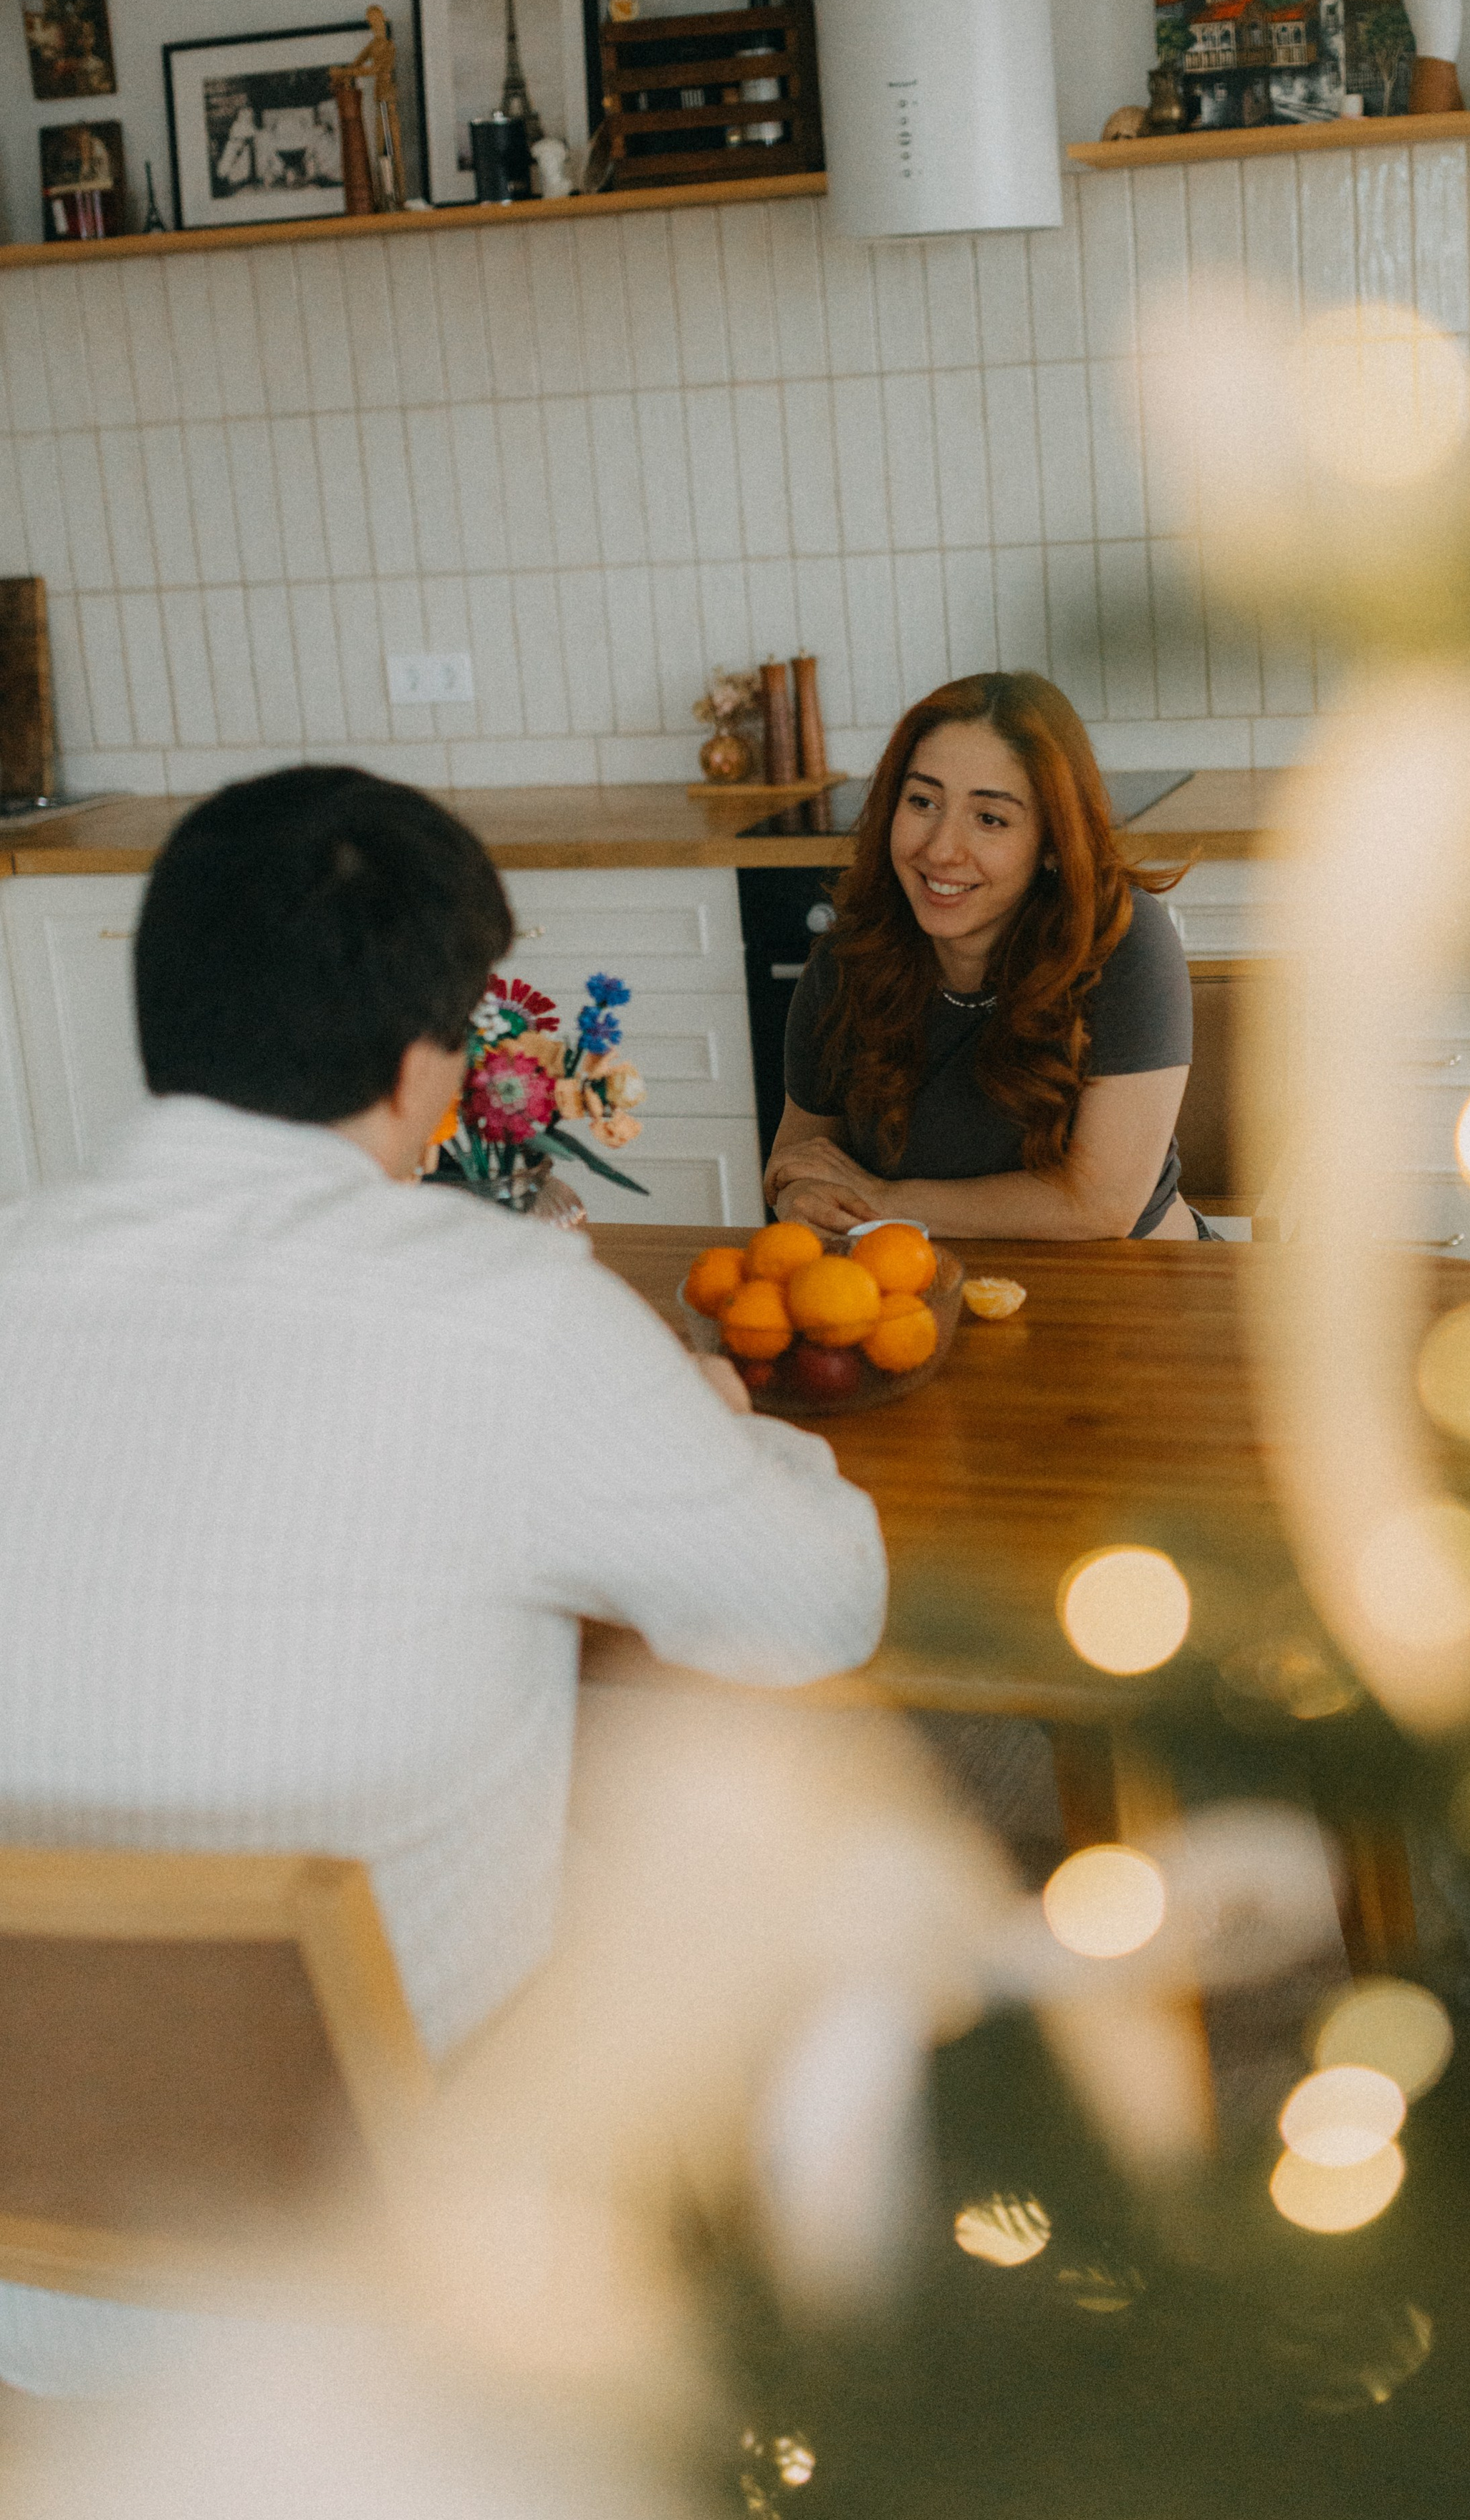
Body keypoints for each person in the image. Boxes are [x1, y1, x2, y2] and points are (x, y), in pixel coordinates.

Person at [0, 765, 887, 2395]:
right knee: (754, 1813)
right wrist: (725, 1427)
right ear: (427, 1068)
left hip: (29, 2293)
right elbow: (813, 1608)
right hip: (410, 2274)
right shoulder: (510, 1313)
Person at [766, 671, 1198, 1242]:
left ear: (1051, 842)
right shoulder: (849, 958)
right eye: (922, 801)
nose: (940, 849)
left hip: (1130, 1293)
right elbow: (795, 1157)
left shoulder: (1123, 939)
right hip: (925, 1296)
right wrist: (798, 1191)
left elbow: (1103, 1203)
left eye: (990, 818)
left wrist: (885, 1200)